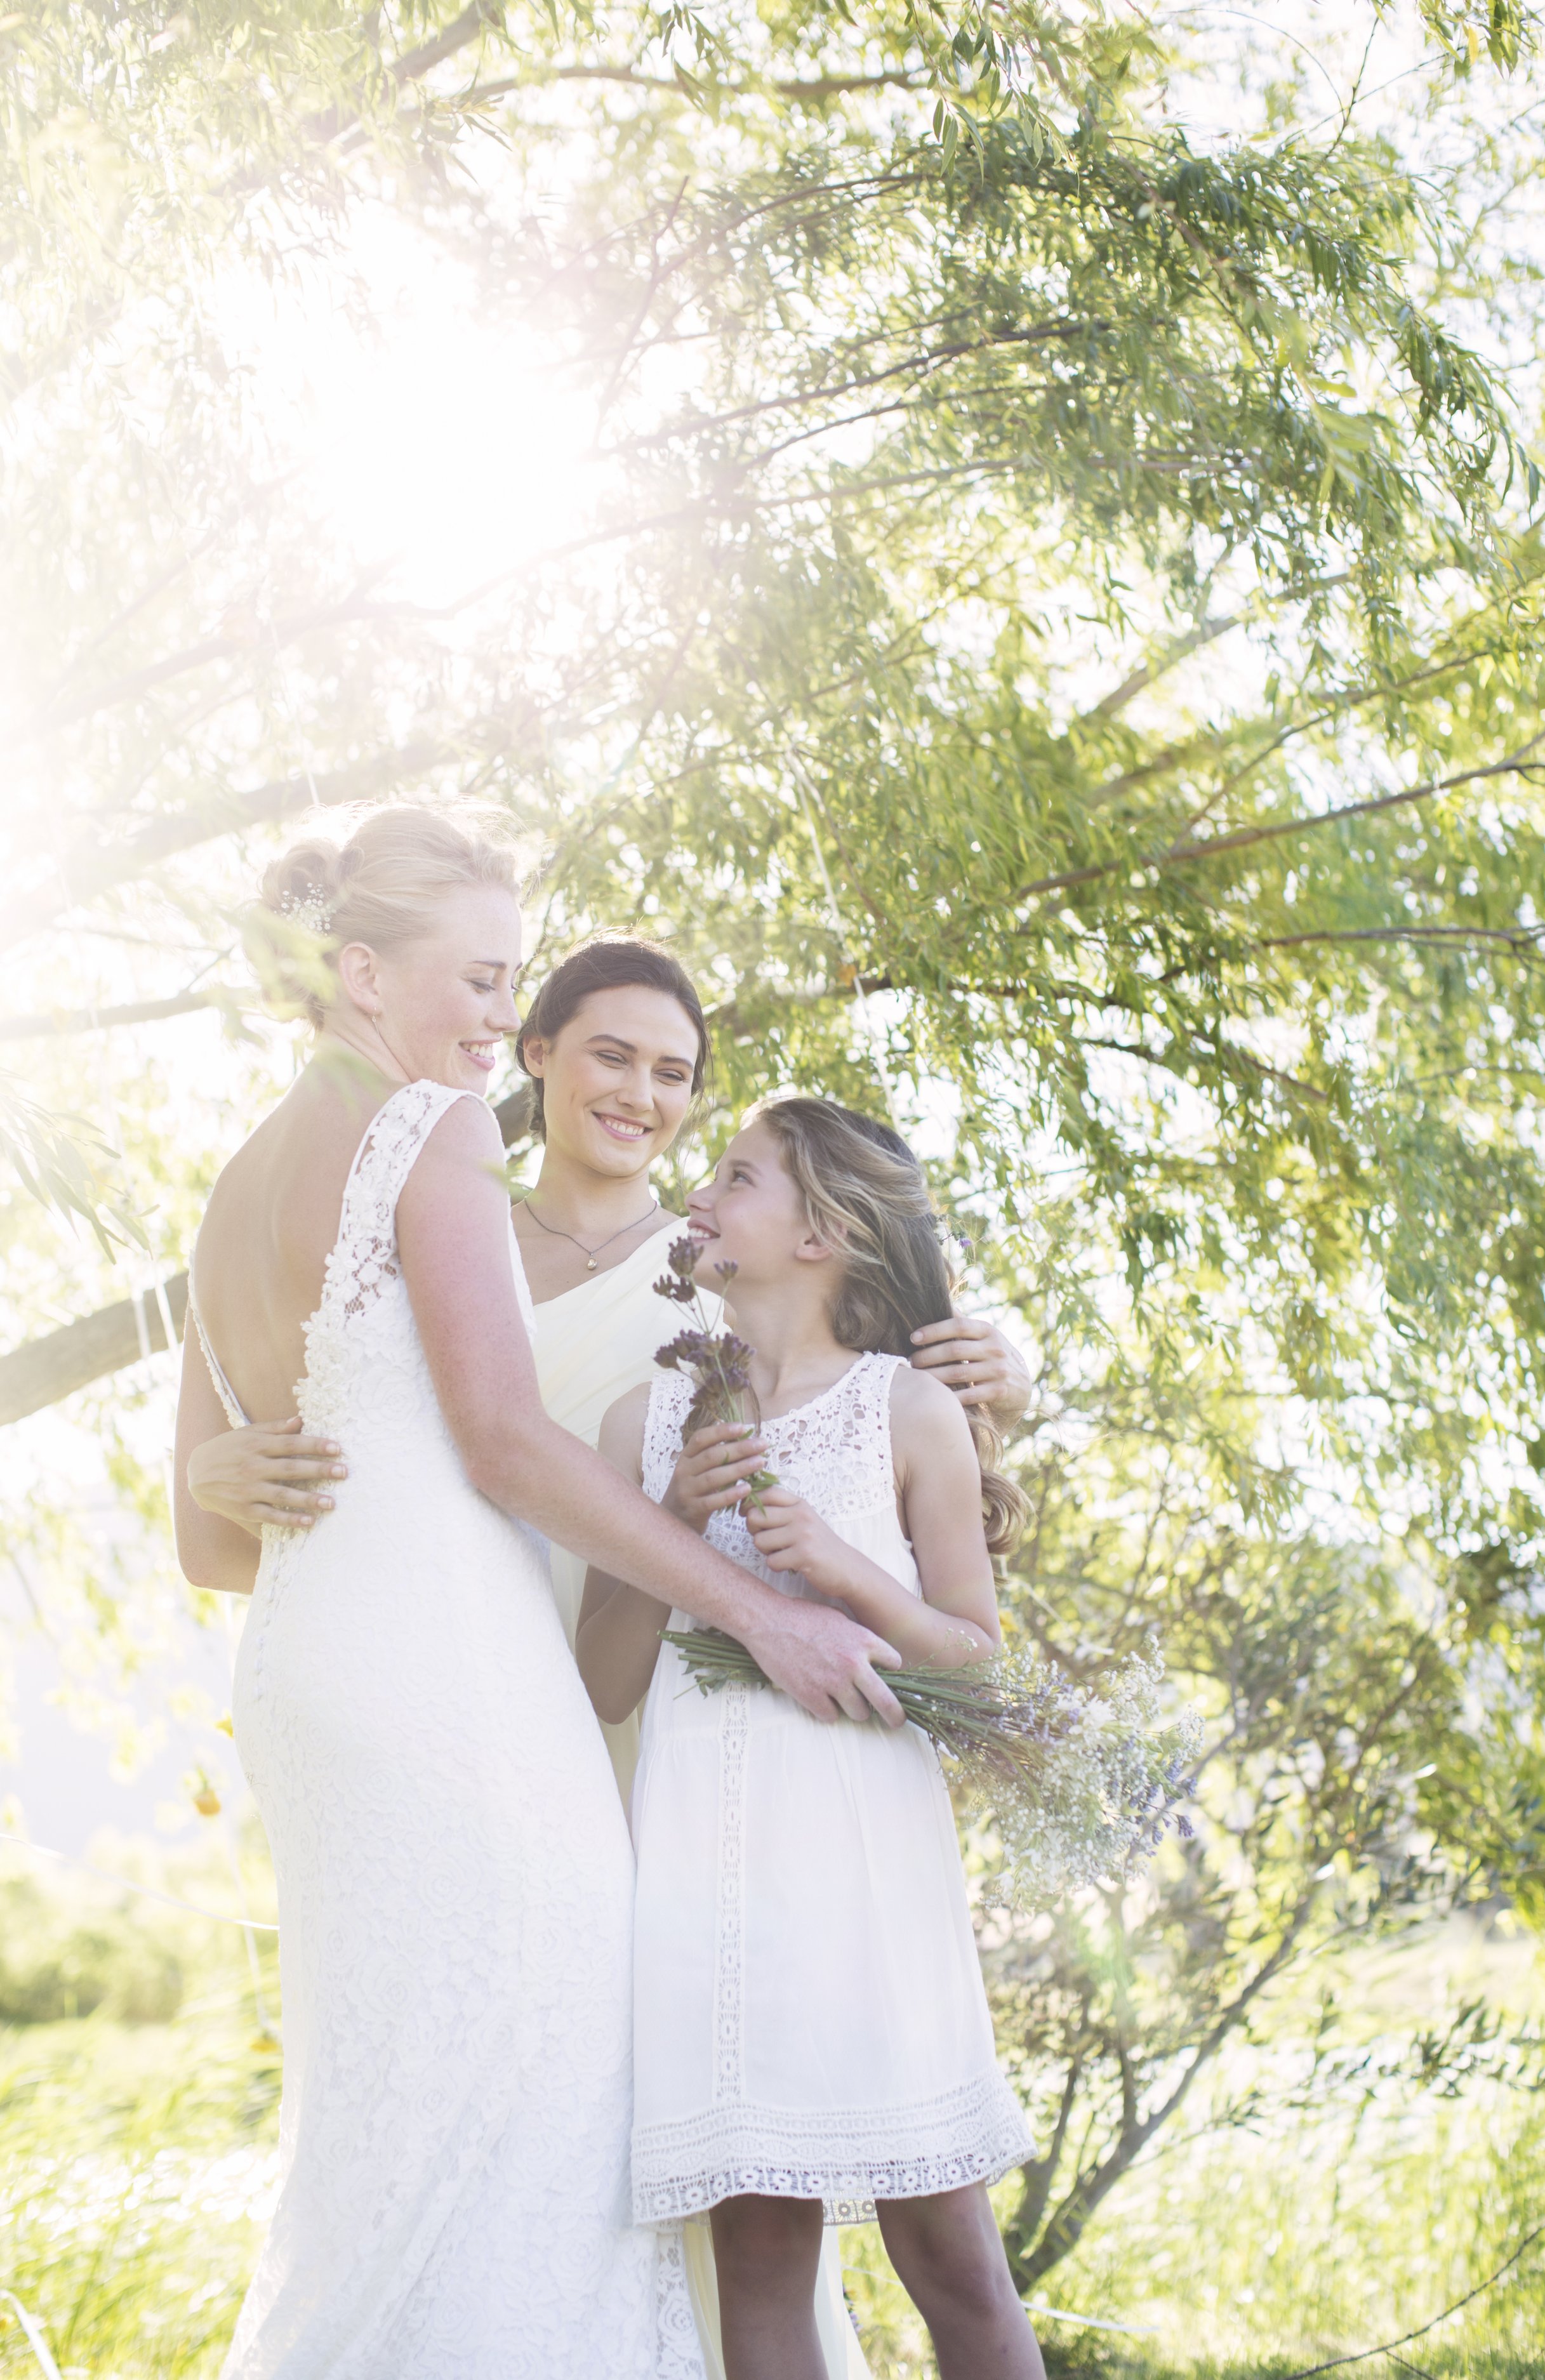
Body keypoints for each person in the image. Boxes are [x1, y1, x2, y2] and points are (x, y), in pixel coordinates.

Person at [185, 932, 1031, 2379]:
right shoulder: (425, 1206)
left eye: (676, 1077)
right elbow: (345, 1442)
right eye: (607, 1054)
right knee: (613, 2166)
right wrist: (223, 1470)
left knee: (846, 2220)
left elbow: (873, 1377)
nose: (641, 1095)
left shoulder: (705, 1286)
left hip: (758, 1746)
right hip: (531, 1721)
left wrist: (1001, 1361)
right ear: (532, 1055)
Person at [576, 1097, 1045, 2380]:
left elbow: (977, 1664)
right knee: (762, 2268)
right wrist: (670, 1527)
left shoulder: (904, 1410)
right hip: (709, 1888)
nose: (702, 1197)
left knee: (951, 2256)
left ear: (822, 1231)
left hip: (862, 1878)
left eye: (737, 1178)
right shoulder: (641, 1426)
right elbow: (605, 1682)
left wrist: (849, 1575)